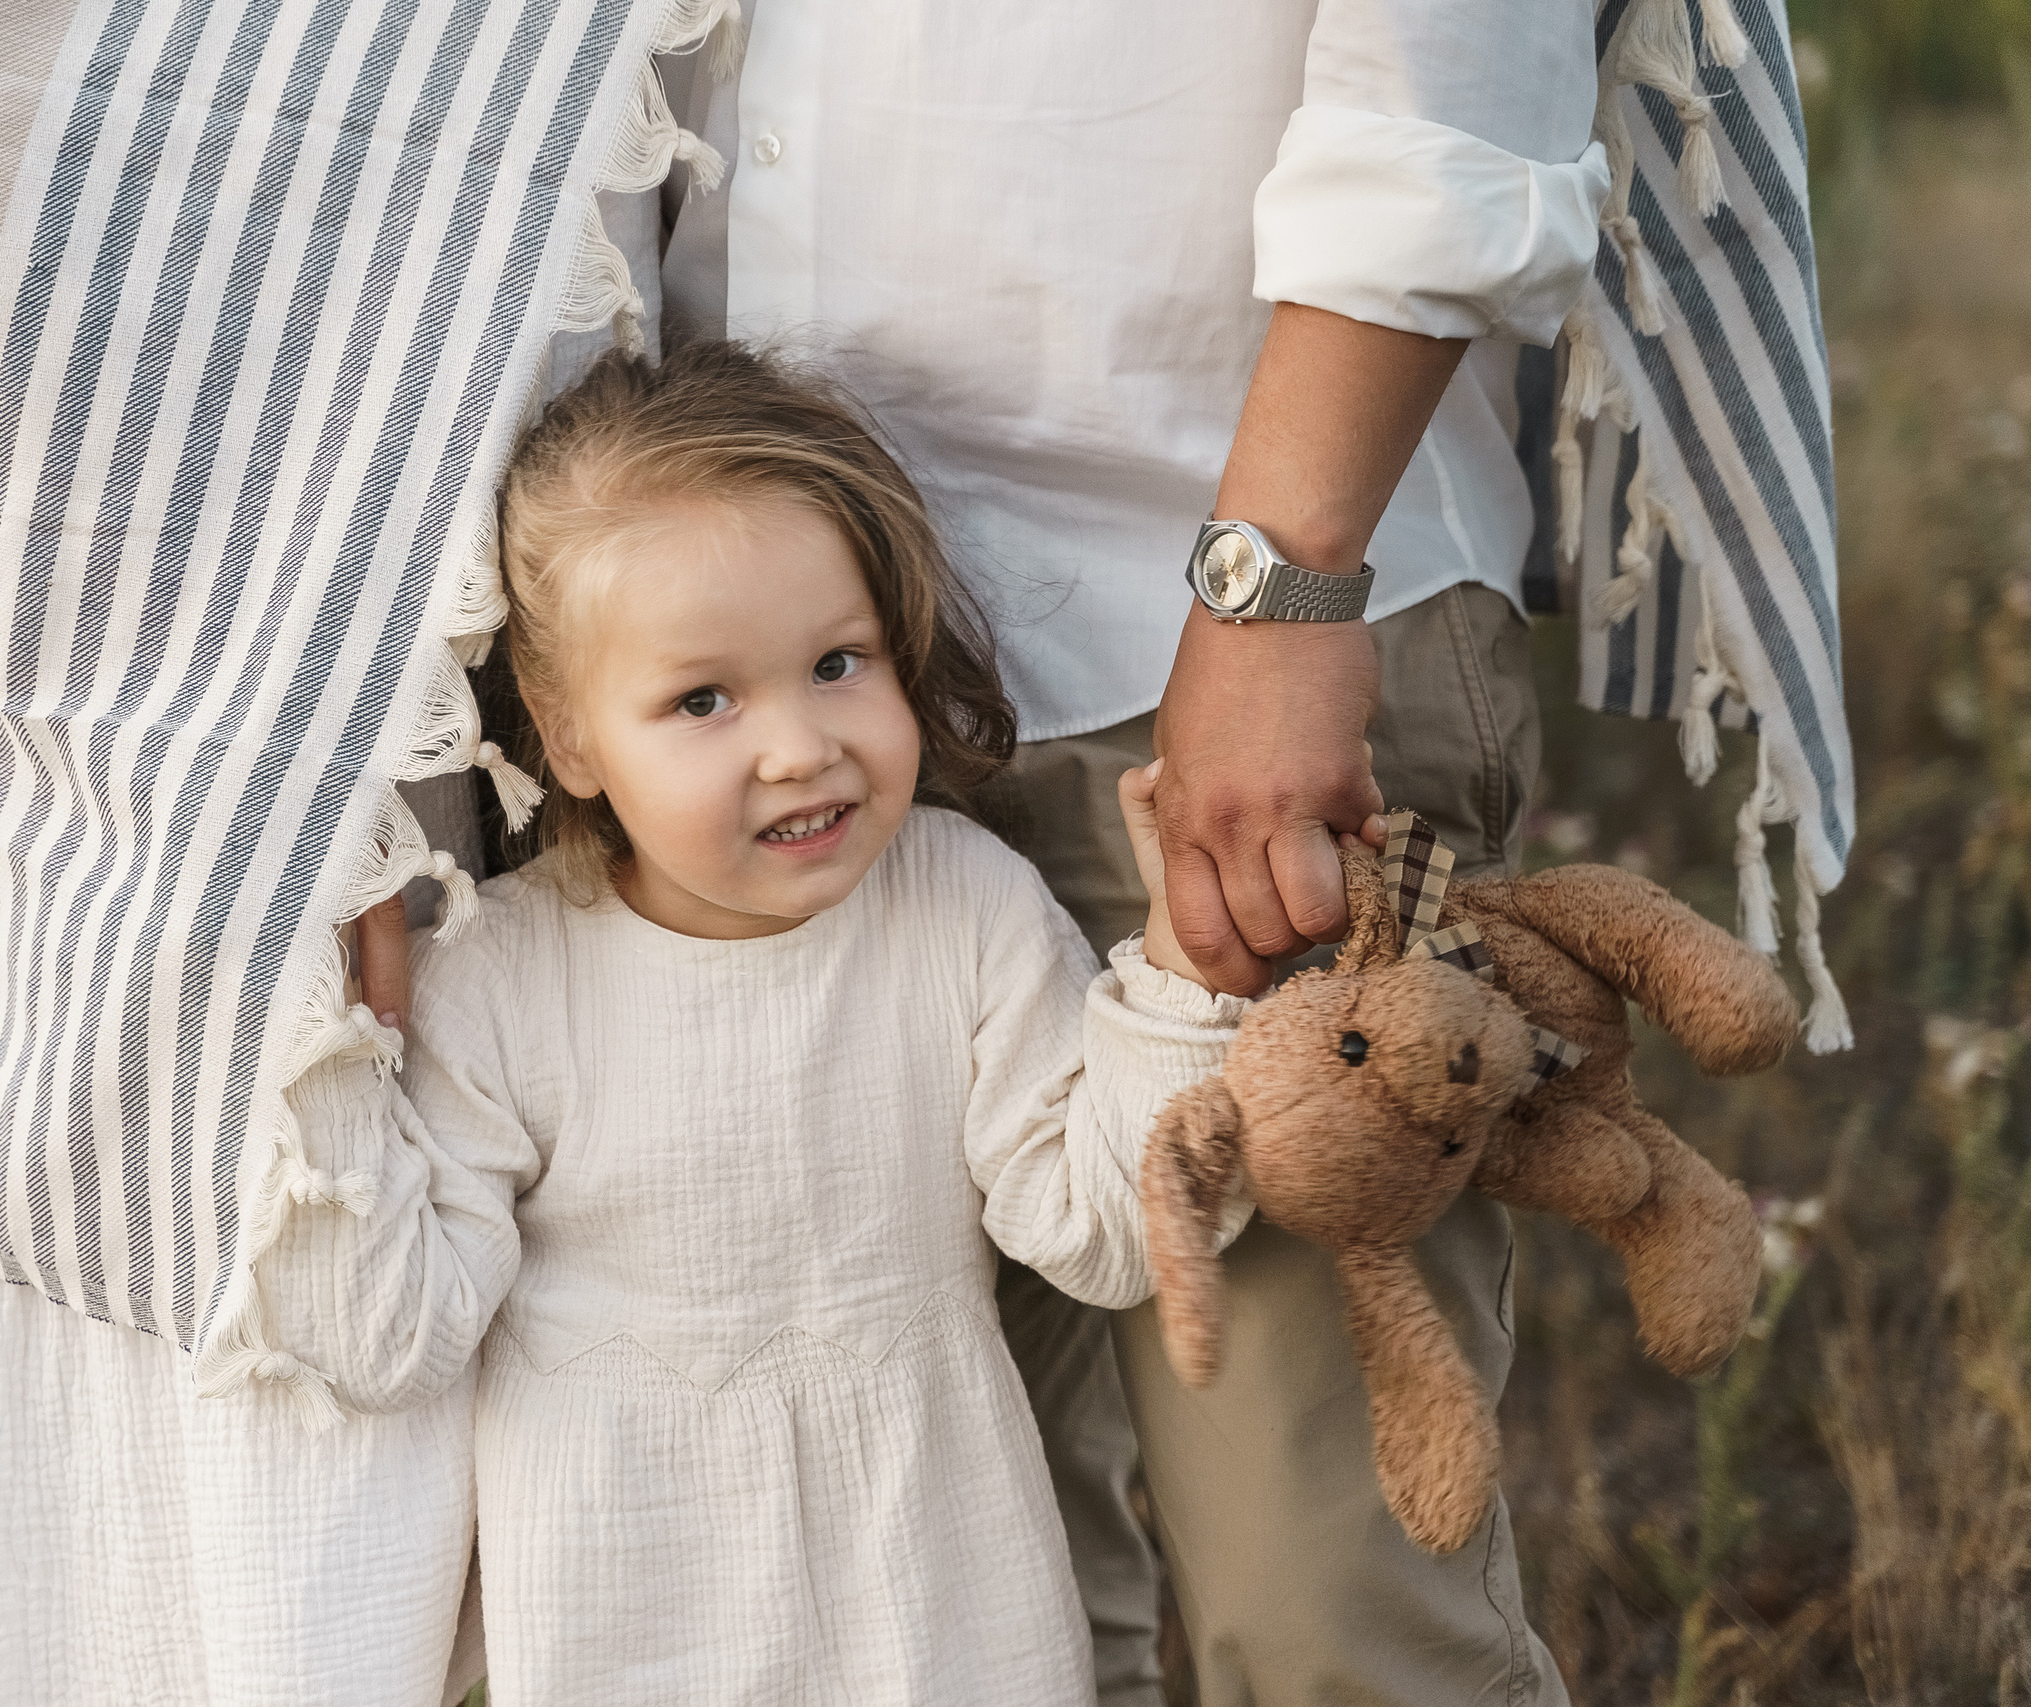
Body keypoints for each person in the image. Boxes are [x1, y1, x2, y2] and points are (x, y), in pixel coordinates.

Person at [605, 5, 1608, 1700]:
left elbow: (1449, 85)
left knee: (1321, 1610)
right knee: (944, 1593)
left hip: (1219, 647)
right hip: (771, 679)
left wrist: (1279, 587)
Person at [418, 339, 1265, 1705]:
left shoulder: (962, 908)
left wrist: (1181, 972)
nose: (799, 745)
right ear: (569, 738)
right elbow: (404, 1323)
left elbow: (1112, 1231)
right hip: (633, 1624)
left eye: (836, 662)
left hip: (934, 1615)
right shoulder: (501, 983)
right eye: (704, 700)